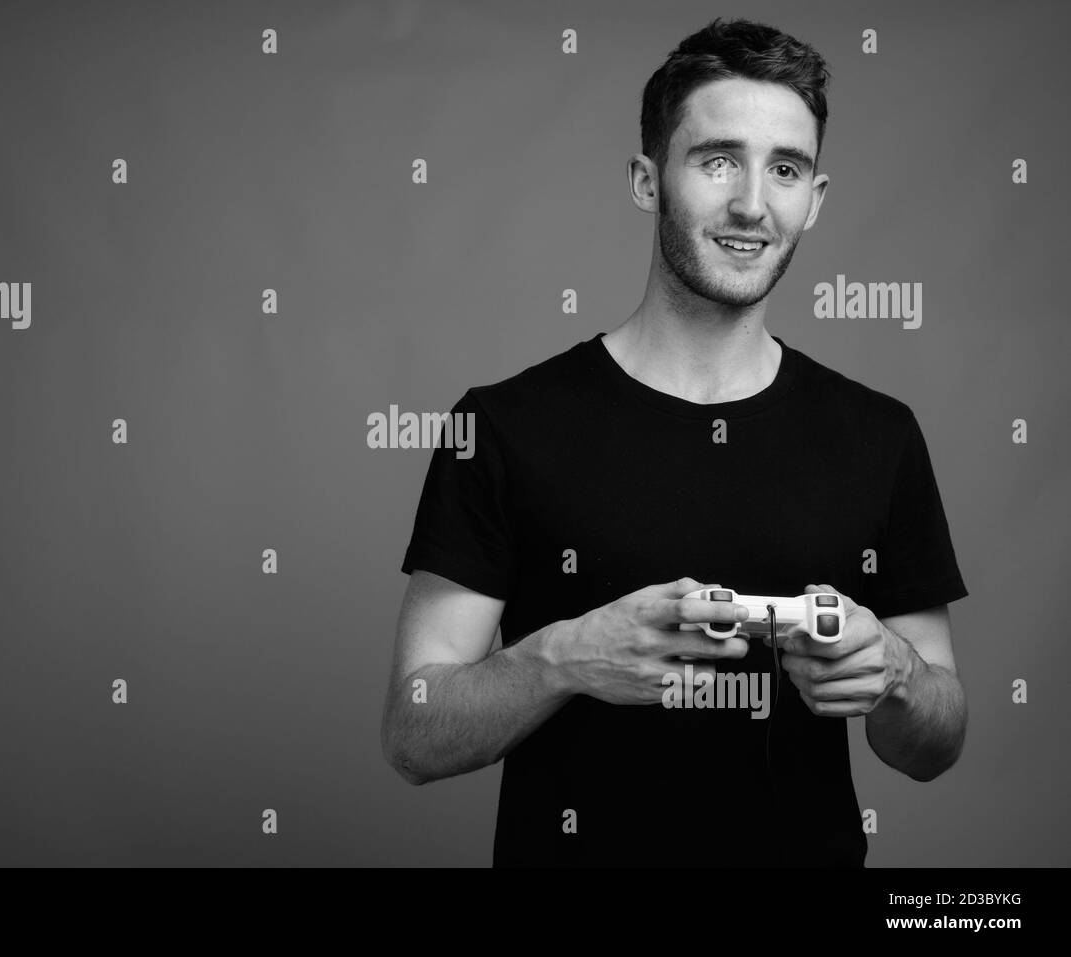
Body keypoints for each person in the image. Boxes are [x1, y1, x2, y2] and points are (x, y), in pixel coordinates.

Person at [380, 17, 968, 867]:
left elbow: (937, 743)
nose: (752, 205)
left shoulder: (880, 435)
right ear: (647, 180)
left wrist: (897, 675)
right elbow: (412, 732)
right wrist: (564, 657)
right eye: (718, 159)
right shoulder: (503, 427)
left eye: (786, 170)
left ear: (817, 198)